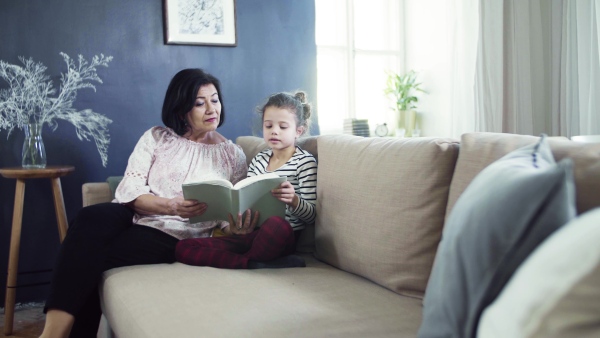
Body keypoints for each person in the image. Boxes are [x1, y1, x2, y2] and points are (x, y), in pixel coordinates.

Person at [40, 68, 254, 338]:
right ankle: (51, 334)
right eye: (200, 103)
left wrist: (236, 227)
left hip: (174, 234)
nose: (212, 108)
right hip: (133, 213)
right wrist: (171, 205)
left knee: (88, 257)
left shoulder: (232, 155)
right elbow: (131, 186)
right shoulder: (156, 137)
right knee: (90, 217)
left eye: (215, 99)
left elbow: (229, 210)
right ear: (180, 110)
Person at [174, 91, 318, 269]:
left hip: (280, 236)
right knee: (183, 247)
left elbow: (312, 216)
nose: (274, 131)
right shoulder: (259, 159)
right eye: (268, 125)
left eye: (283, 127)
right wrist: (237, 218)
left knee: (277, 224)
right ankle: (253, 263)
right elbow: (246, 200)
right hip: (251, 235)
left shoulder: (304, 162)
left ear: (298, 131)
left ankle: (245, 260)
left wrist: (294, 201)